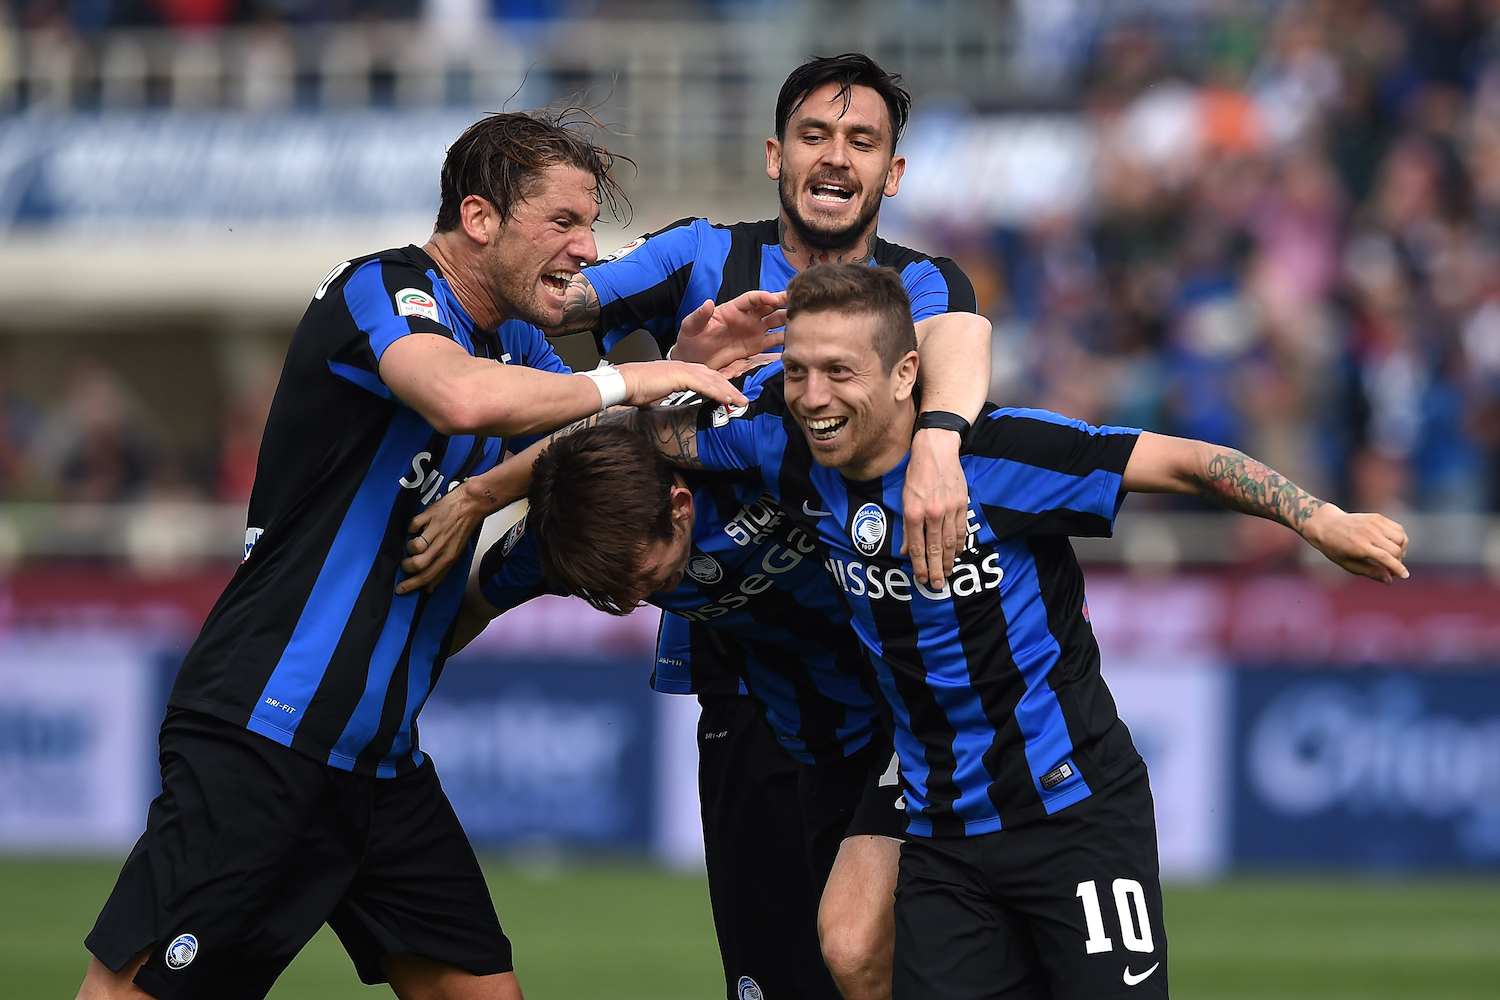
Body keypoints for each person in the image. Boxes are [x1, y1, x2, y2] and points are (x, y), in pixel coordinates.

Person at [504, 262, 1410, 1000]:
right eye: (798, 373)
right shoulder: (777, 445)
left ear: (907, 375)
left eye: (839, 373)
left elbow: (1185, 461)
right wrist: (665, 374)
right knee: (851, 951)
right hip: (939, 833)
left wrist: (1320, 519)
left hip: (1073, 813)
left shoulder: (1003, 457)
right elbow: (622, 446)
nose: (812, 398)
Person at [76, 110, 745, 1000]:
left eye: (590, 225)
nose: (588, 249)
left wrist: (669, 382)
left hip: (381, 762)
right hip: (269, 730)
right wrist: (631, 379)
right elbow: (460, 398)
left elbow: (576, 428)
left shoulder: (516, 346)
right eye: (563, 223)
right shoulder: (386, 288)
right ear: (478, 218)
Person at [399, 53, 986, 1000]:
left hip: (897, 679)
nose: (836, 157)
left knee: (903, 967)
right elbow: (537, 299)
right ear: (773, 154)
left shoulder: (923, 288)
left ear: (893, 173)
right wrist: (660, 370)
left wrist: (943, 442)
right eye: (814, 135)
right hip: (746, 682)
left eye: (862, 141)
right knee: (774, 974)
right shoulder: (697, 255)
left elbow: (953, 376)